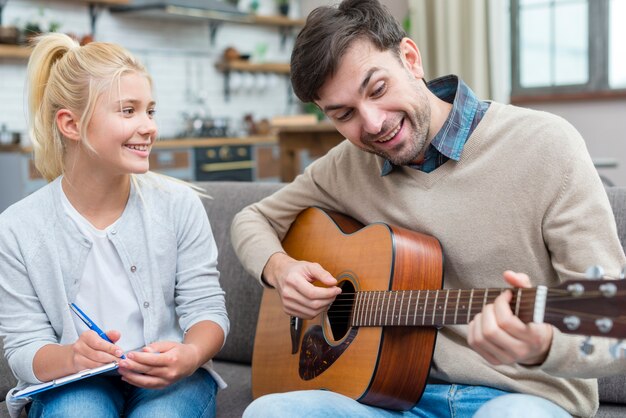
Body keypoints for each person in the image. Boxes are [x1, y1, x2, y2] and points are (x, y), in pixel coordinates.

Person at [230, 1, 626, 417]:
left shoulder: (547, 145)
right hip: (389, 397)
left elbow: (614, 320)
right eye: (343, 114)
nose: (373, 124)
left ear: (410, 59)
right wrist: (280, 269)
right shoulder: (347, 164)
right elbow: (251, 219)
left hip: (520, 400)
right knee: (270, 411)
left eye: (378, 89)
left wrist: (542, 344)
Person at [0, 33, 229, 418]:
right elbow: (23, 348)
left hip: (172, 381)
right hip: (75, 382)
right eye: (128, 111)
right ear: (70, 124)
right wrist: (72, 356)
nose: (149, 127)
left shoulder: (178, 205)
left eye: (150, 111)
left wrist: (188, 355)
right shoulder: (17, 228)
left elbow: (207, 308)